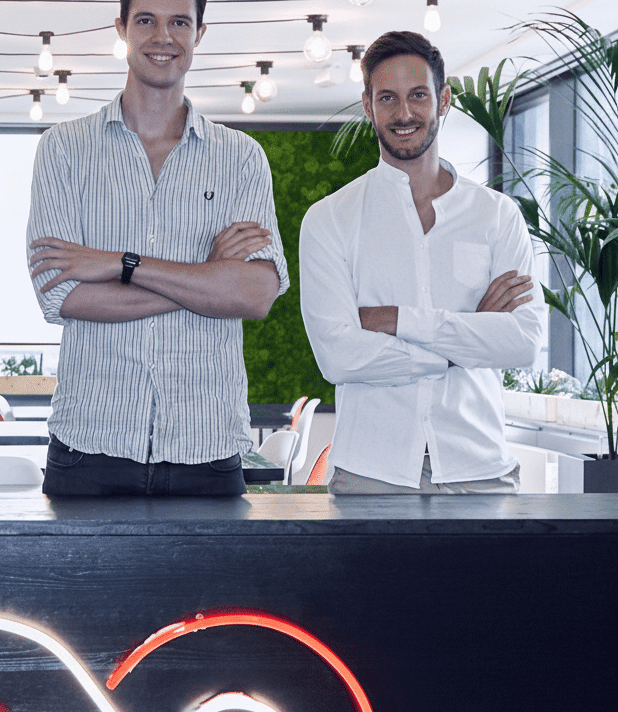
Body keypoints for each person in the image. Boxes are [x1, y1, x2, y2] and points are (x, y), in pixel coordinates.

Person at [27, 0, 287, 497]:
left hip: (207, 448)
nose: (162, 36)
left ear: (199, 32)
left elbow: (255, 295)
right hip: (89, 444)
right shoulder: (63, 149)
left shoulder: (241, 158)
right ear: (121, 28)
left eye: (179, 22)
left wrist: (121, 265)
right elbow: (61, 297)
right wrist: (208, 276)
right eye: (145, 20)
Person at [299, 31, 542, 495]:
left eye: (418, 95)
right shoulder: (330, 220)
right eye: (387, 97)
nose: (404, 113)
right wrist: (466, 338)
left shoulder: (497, 215)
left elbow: (521, 343)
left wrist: (394, 320)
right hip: (372, 471)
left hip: (480, 469)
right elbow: (339, 356)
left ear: (443, 99)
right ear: (368, 106)